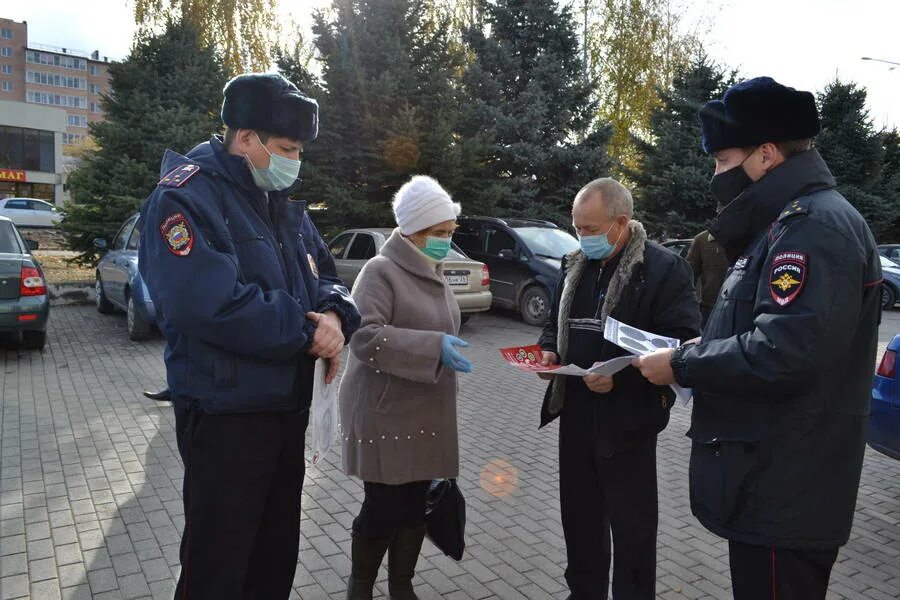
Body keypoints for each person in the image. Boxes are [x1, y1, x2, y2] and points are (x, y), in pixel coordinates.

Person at [632, 77, 883, 600]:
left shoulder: (814, 229)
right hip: (771, 476)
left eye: (723, 161)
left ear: (766, 155)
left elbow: (784, 350)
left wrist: (682, 363)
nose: (716, 176)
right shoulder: (787, 224)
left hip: (785, 485)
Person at [139, 72, 361, 599]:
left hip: (285, 412)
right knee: (217, 567)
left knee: (273, 557)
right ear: (245, 138)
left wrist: (334, 315)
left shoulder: (279, 201)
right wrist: (306, 335)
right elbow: (209, 303)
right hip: (224, 419)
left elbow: (326, 277)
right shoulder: (185, 198)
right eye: (286, 148)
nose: (295, 162)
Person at [536, 178, 700, 600]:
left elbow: (681, 343)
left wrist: (619, 376)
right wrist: (548, 354)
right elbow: (552, 326)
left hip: (629, 419)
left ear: (620, 223)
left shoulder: (663, 268)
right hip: (575, 413)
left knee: (633, 527)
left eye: (590, 229)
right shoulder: (575, 264)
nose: (581, 237)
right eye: (576, 227)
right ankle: (584, 592)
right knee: (580, 518)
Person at [339, 175, 471, 600]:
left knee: (416, 506)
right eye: (440, 233)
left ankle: (402, 586)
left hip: (424, 408)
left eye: (451, 232)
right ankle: (360, 586)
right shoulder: (380, 271)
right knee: (383, 506)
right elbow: (362, 336)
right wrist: (434, 346)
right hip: (384, 411)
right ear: (413, 230)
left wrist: (441, 348)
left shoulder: (433, 268)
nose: (447, 241)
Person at [685, 230, 729, 328]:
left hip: (740, 311)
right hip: (709, 308)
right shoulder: (703, 239)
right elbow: (688, 278)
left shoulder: (752, 238)